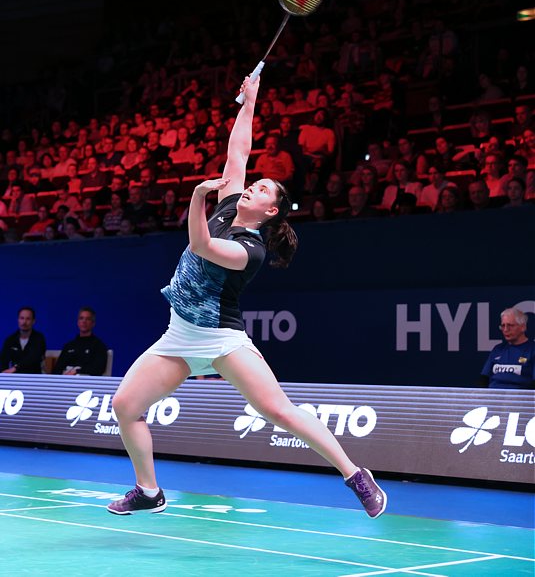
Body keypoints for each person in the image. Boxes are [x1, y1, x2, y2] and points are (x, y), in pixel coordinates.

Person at [107, 76, 387, 519]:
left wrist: (197, 199)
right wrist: (250, 102)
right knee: (125, 407)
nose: (251, 186)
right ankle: (148, 490)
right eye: (252, 183)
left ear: (270, 211)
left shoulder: (250, 249)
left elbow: (200, 247)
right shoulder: (229, 202)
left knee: (279, 411)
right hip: (179, 334)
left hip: (222, 340)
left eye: (260, 190)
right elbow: (238, 151)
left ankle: (356, 475)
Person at [479, 308, 535, 389]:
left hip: (519, 398)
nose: (505, 330)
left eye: (510, 325)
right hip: (493, 397)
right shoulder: (497, 349)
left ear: (523, 327)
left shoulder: (532, 350)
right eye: (503, 326)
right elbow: (484, 378)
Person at [52, 307, 108, 375]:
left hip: (86, 382)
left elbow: (99, 369)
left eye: (88, 319)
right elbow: (57, 369)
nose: (84, 321)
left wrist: (77, 371)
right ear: (78, 322)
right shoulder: (69, 346)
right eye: (81, 318)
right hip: (66, 381)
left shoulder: (99, 346)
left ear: (93, 323)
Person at [0, 306, 46, 374]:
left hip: (34, 377)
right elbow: (3, 360)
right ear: (18, 320)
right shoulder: (10, 340)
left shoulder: (39, 339)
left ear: (33, 321)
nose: (24, 322)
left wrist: (15, 368)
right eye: (22, 318)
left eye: (28, 319)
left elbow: (33, 358)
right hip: (14, 378)